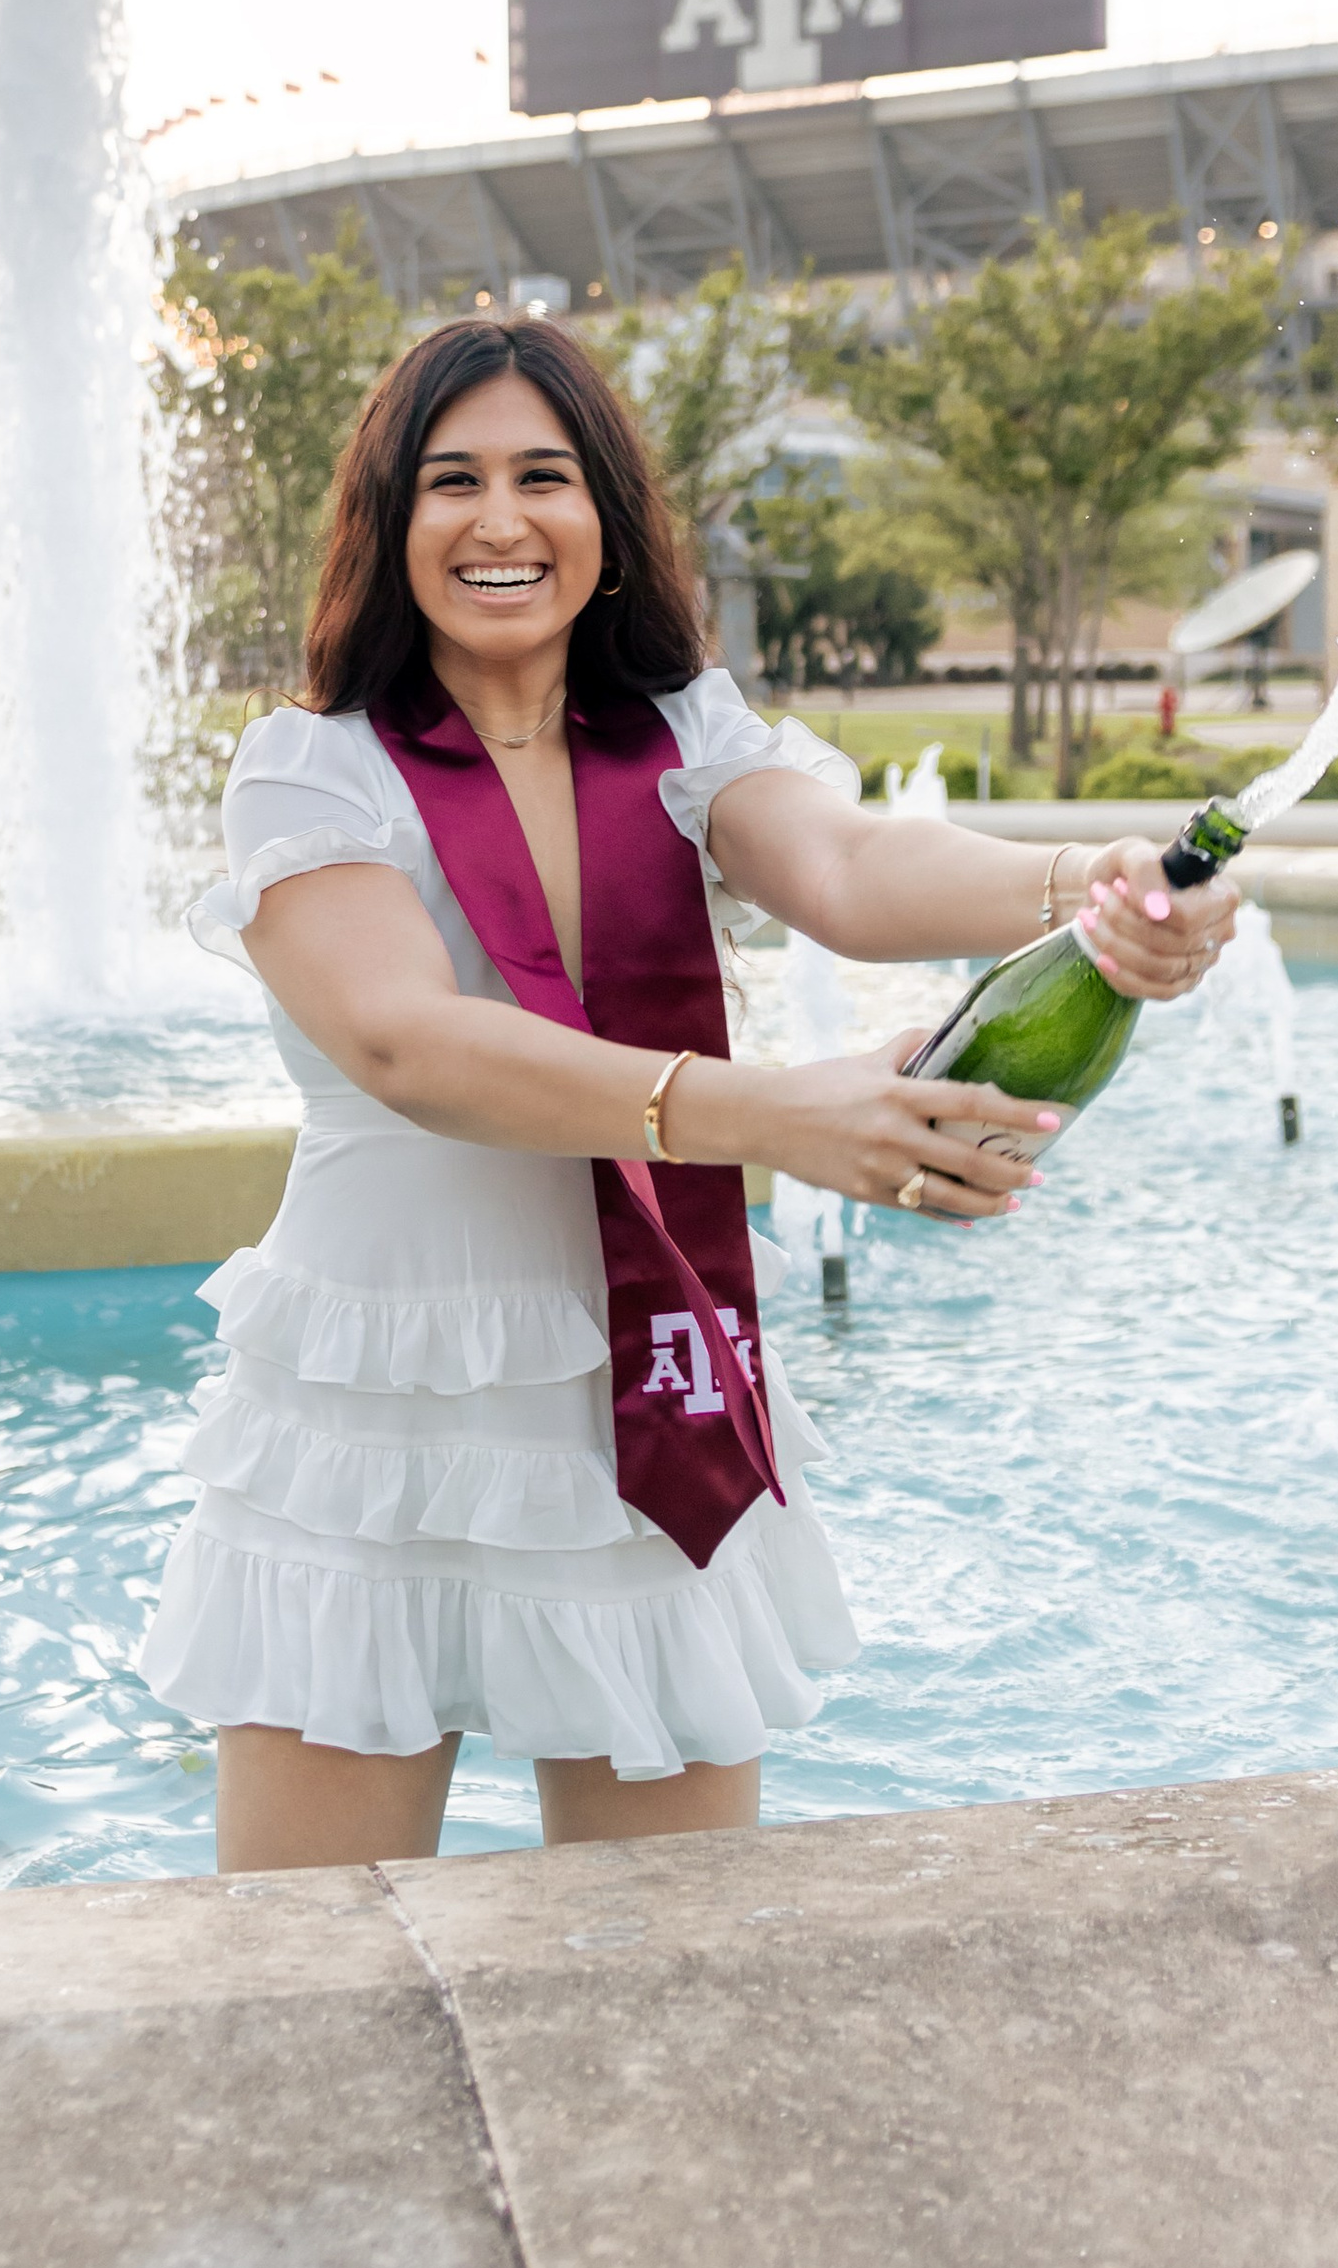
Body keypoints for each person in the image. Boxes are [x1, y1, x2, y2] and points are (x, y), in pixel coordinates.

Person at [143, 316, 1236, 1874]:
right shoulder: (317, 771)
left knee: (659, 1956)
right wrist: (776, 1113)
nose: (500, 521)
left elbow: (850, 868)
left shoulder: (683, 743)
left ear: (610, 518)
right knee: (313, 1968)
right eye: (450, 481)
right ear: (390, 525)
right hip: (377, 1398)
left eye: (545, 476)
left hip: (643, 1384)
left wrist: (1083, 883)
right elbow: (407, 1043)